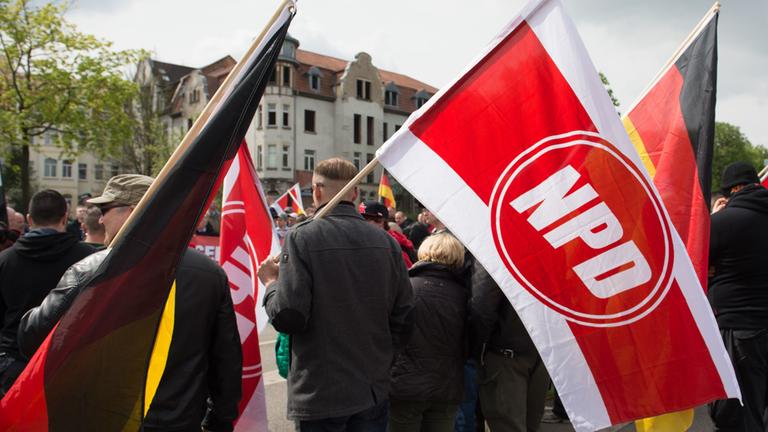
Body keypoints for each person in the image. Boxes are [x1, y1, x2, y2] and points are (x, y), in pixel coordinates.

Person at [18, 174, 242, 431]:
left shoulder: (91, 270)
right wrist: (220, 420)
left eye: (105, 209)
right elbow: (226, 363)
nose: (100, 219)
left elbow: (31, 336)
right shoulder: (209, 274)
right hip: (178, 423)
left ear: (134, 211)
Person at [258, 157, 414, 431]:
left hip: (321, 392)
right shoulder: (385, 242)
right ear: (355, 193)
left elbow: (289, 316)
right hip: (371, 387)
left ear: (316, 191)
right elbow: (404, 315)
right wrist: (382, 361)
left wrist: (271, 283)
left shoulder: (302, 237)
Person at [0, 190, 95, 394]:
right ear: (64, 218)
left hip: (14, 366)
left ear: (29, 219)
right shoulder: (90, 260)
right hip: (68, 363)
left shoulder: (4, 261)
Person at [708, 161, 768, 431]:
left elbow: (698, 262)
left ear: (734, 189)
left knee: (737, 411)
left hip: (738, 328)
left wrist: (712, 218)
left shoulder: (724, 221)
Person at [389, 233, 469, 432]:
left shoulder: (404, 288)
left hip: (404, 384)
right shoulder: (466, 295)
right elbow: (470, 341)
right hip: (446, 386)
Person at [471, 262, 549, 432]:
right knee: (528, 423)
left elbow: (481, 306)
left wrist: (478, 351)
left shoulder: (493, 254)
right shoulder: (550, 250)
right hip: (538, 350)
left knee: (510, 424)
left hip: (507, 354)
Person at [360, 201, 417, 267]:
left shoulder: (394, 248)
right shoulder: (364, 240)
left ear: (381, 222)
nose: (360, 223)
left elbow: (407, 275)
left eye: (365, 219)